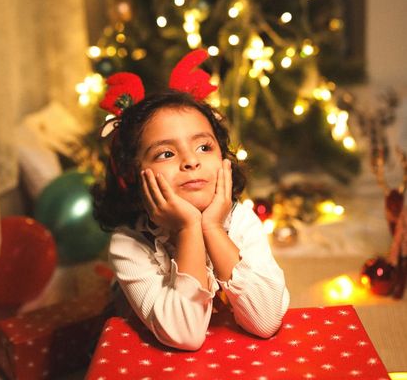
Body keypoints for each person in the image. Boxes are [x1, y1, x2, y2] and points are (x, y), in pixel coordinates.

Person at [92, 50, 290, 351]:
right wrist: (188, 229)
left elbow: (266, 321)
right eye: (166, 153)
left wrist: (211, 227)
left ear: (224, 159)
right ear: (134, 174)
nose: (190, 161)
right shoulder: (128, 243)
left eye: (204, 147)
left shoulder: (241, 221)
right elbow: (186, 335)